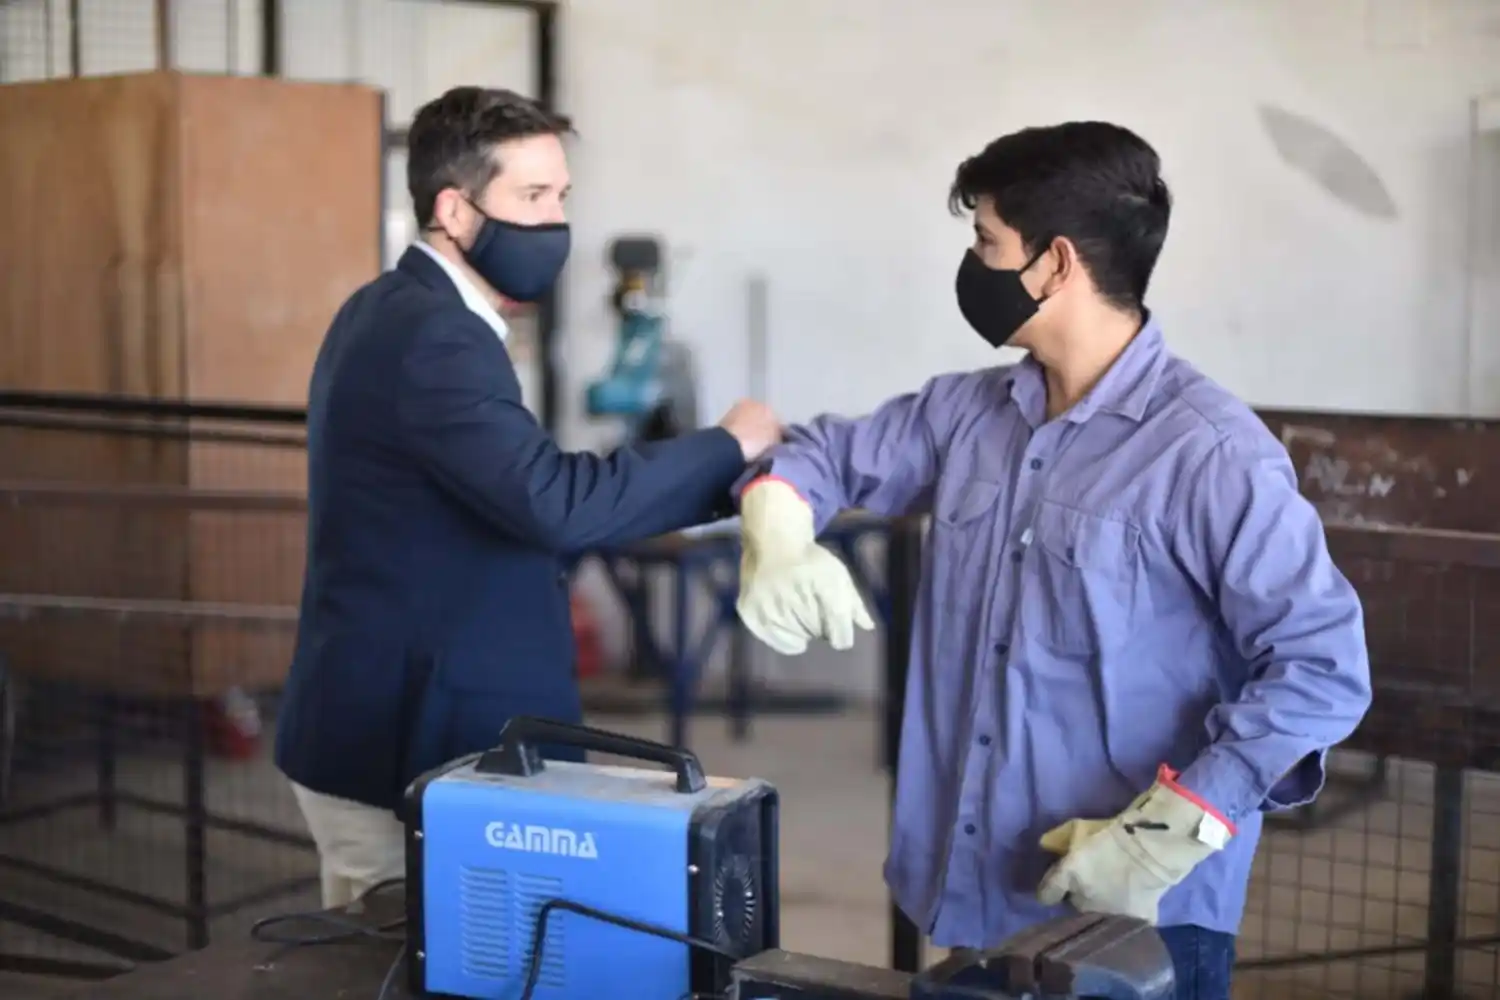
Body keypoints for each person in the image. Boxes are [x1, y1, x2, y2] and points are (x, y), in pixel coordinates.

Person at [732, 122, 1372, 999]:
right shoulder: (966, 414)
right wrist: (777, 525)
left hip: (1135, 925)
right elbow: (824, 455)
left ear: (1056, 263)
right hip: (970, 898)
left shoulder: (1211, 451)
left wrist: (1175, 827)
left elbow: (1322, 666)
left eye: (987, 243)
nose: (974, 267)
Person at [274, 86, 780, 909]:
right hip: (406, 749)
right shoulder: (434, 335)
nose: (555, 223)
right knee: (410, 959)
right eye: (532, 197)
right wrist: (731, 447)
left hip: (396, 721)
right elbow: (553, 501)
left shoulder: (397, 310)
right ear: (455, 208)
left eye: (562, 197)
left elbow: (511, 491)